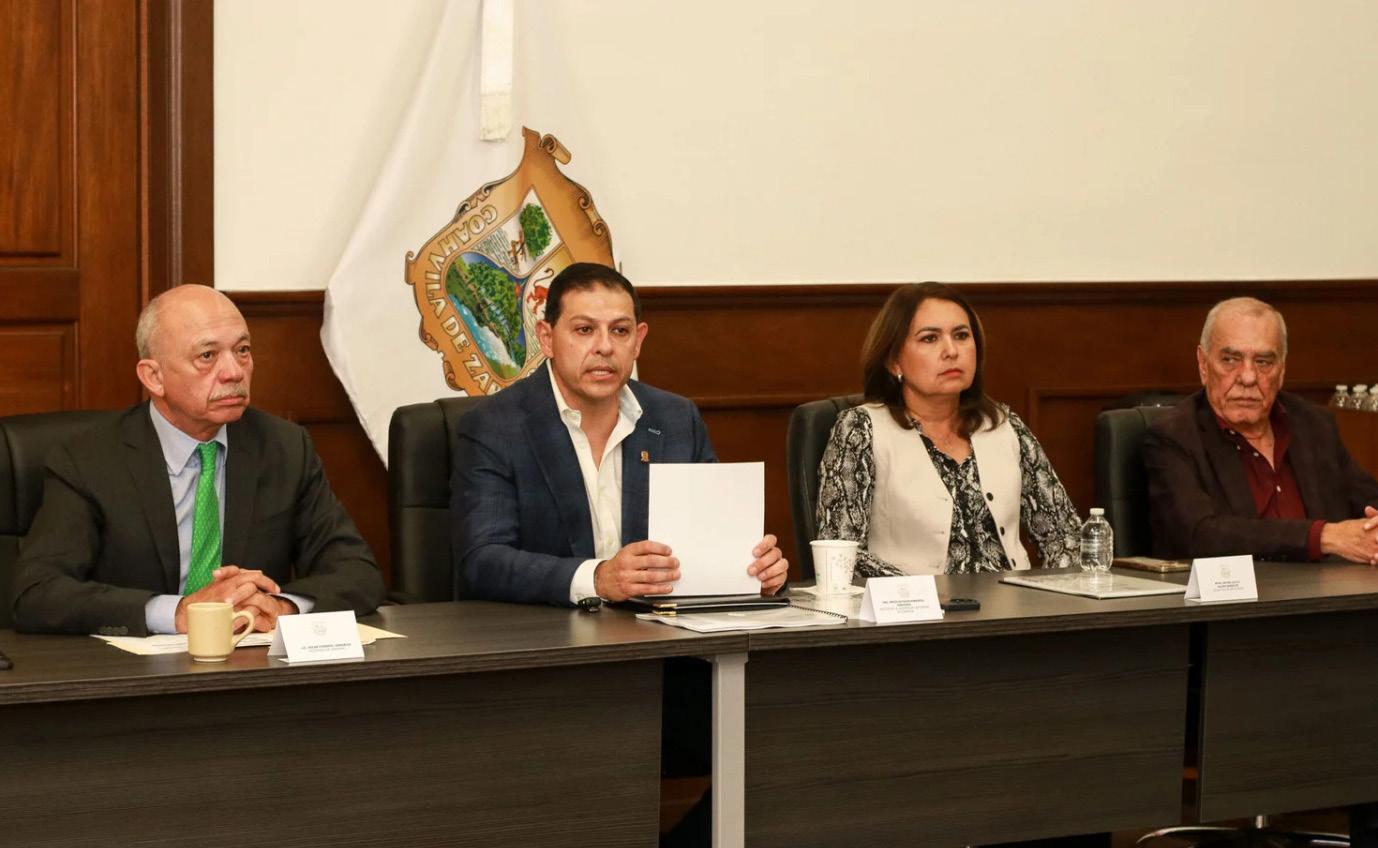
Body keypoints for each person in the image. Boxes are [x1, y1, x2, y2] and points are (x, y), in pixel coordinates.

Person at [13, 285, 385, 636]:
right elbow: (37, 591)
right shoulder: (88, 460)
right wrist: (177, 613)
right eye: (207, 356)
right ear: (154, 377)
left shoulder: (284, 447)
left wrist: (282, 607)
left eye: (242, 350)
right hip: (132, 672)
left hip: (250, 662)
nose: (234, 372)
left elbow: (357, 571)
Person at [449, 261, 788, 604]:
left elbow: (714, 537)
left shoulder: (675, 419)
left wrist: (752, 570)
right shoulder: (497, 426)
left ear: (638, 341)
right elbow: (482, 561)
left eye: (620, 331)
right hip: (547, 631)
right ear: (547, 339)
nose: (605, 347)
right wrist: (597, 579)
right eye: (585, 330)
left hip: (659, 630)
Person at [815, 282, 1081, 577]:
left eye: (961, 335)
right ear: (893, 361)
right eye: (930, 338)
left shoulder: (1005, 425)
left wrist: (1051, 596)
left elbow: (1065, 537)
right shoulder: (860, 430)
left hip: (1012, 602)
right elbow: (841, 553)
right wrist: (919, 594)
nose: (951, 351)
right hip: (911, 603)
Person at [1143, 296, 1378, 563]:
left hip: (1331, 588)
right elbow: (1198, 536)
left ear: (1282, 370)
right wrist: (1323, 537)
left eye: (1263, 362)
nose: (1248, 377)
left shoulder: (1313, 424)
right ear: (1203, 364)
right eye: (1230, 360)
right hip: (1239, 590)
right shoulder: (1174, 437)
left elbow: (1369, 500)